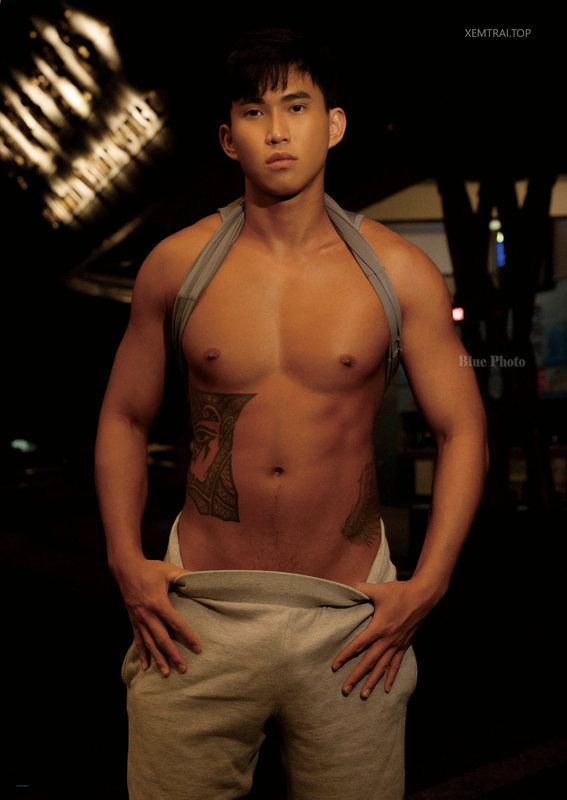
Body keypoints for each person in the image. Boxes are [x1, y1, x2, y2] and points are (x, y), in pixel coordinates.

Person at [94, 26, 488, 800]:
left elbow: (462, 427)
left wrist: (429, 583)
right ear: (227, 138)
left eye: (297, 106)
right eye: (253, 111)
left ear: (332, 125)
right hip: (198, 612)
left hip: (349, 616)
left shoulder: (398, 270)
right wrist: (125, 564)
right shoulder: (177, 264)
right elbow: (123, 419)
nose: (276, 130)